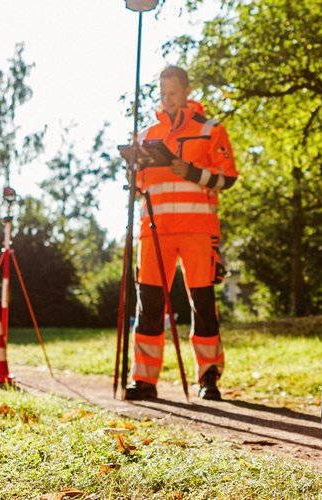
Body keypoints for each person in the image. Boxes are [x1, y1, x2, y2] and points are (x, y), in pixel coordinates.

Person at [125, 65, 238, 401]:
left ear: (187, 91)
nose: (167, 98)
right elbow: (137, 187)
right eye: (162, 92)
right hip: (154, 231)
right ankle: (144, 380)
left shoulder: (210, 130)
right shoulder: (146, 135)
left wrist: (191, 172)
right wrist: (132, 168)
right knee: (149, 305)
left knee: (202, 304)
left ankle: (208, 378)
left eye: (172, 92)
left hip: (197, 230)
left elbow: (228, 177)